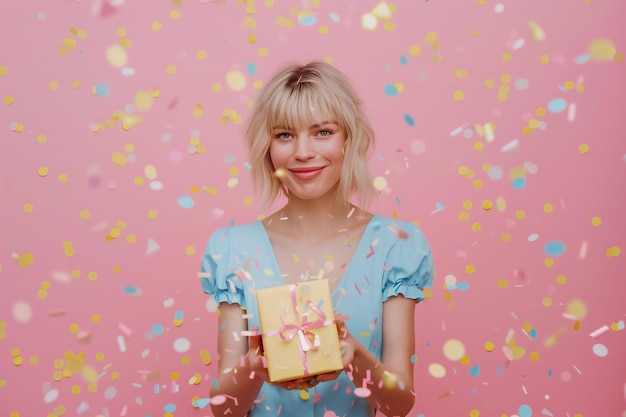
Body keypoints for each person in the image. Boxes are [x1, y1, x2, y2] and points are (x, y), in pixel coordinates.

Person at [199, 60, 434, 417]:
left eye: (323, 131)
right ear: (268, 147)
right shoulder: (233, 249)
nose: (303, 151)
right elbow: (224, 410)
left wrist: (357, 357)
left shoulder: (395, 246)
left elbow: (400, 404)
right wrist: (253, 369)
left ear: (349, 139)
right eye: (284, 134)